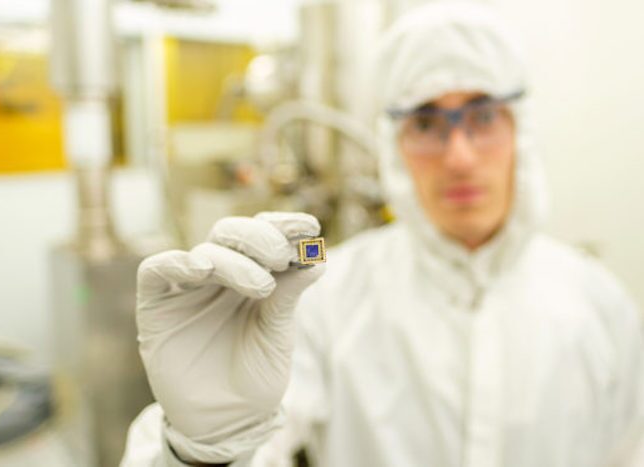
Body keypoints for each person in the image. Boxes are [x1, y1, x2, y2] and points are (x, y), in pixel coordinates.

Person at [121, 2, 644, 466]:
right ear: (394, 146)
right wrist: (203, 449)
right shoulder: (324, 300)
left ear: (519, 132)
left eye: (483, 116)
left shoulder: (600, 305)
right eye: (426, 123)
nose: (459, 156)